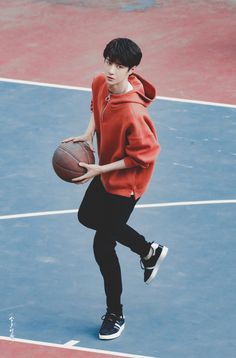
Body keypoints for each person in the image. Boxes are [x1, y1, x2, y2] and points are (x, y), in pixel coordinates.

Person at [63, 38, 168, 340]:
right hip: (105, 171)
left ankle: (115, 314)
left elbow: (142, 156)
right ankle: (148, 251)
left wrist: (100, 169)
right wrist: (87, 134)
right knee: (86, 216)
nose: (110, 70)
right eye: (108, 62)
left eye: (119, 66)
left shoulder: (135, 113)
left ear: (131, 70)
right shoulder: (100, 82)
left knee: (102, 245)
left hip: (127, 182)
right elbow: (97, 105)